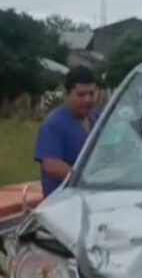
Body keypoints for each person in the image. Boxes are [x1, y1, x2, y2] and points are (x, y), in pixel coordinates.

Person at [35, 66, 99, 197]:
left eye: (91, 94)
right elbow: (51, 164)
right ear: (67, 94)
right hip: (63, 202)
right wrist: (85, 180)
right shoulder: (54, 124)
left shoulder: (97, 120)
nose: (87, 99)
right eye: (81, 95)